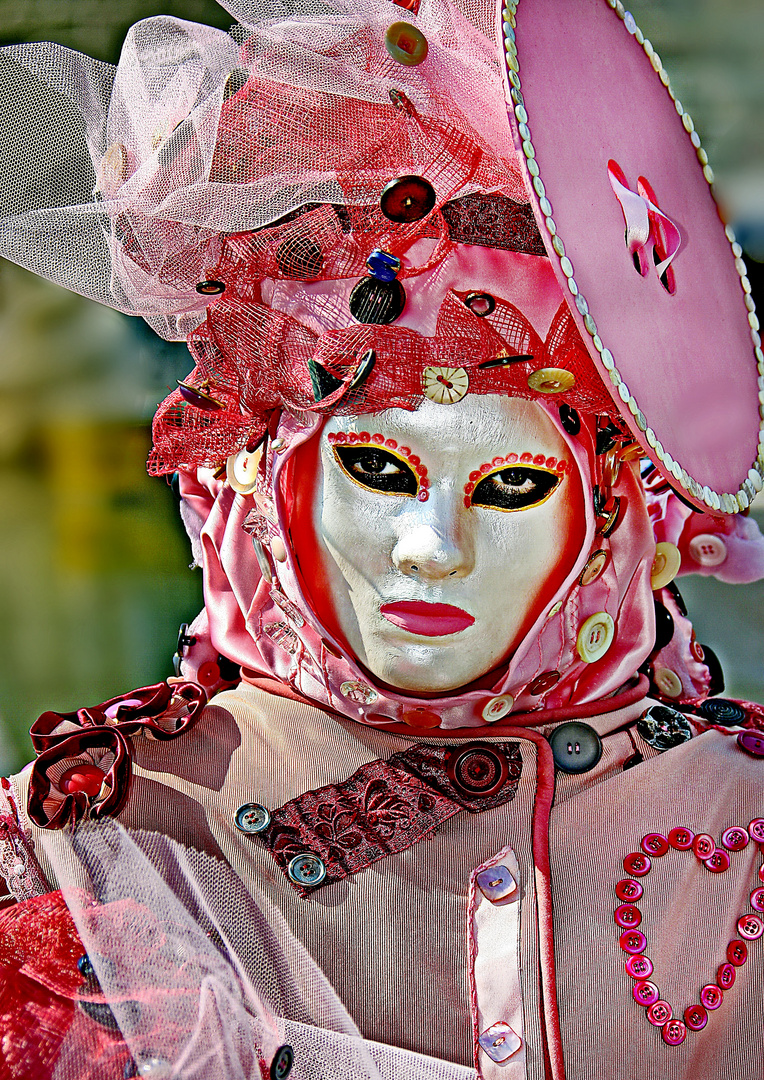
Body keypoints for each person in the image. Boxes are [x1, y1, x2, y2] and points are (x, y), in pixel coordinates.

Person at [0, 0, 762, 1077]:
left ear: (609, 522)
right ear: (261, 481)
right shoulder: (101, 843)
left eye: (510, 486)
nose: (427, 550)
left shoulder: (737, 814)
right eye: (374, 471)